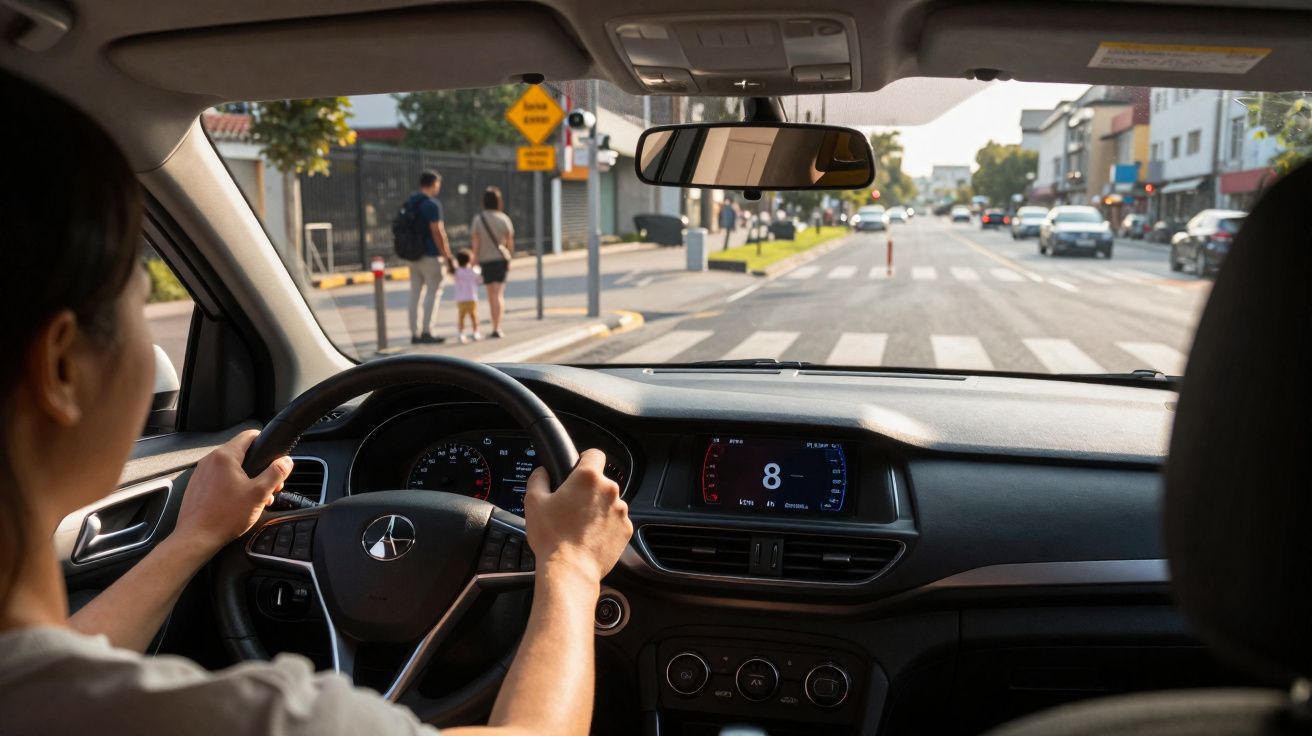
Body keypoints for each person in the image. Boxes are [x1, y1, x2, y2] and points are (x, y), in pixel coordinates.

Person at [0, 70, 633, 736]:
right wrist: (570, 565)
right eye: (138, 301)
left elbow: (61, 657)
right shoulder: (268, 720)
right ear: (63, 367)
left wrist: (194, 538)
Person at [408, 171, 456, 345]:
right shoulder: (432, 205)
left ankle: (415, 333)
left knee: (415, 295)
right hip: (431, 256)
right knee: (432, 294)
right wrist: (447, 256)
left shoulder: (411, 202)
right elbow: (438, 232)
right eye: (437, 184)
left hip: (413, 256)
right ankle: (427, 332)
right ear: (433, 183)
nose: (438, 187)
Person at [469, 187, 513, 338]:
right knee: (499, 294)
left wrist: (474, 259)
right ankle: (497, 327)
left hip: (485, 261)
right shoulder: (504, 219)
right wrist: (509, 257)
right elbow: (509, 242)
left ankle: (494, 325)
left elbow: (476, 242)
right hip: (501, 260)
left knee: (491, 295)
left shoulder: (478, 219)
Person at [453, 250, 483, 343]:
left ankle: (461, 333)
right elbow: (480, 281)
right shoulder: (473, 271)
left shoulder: (457, 272)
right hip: (472, 298)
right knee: (473, 316)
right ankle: (475, 332)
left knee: (461, 317)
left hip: (460, 299)